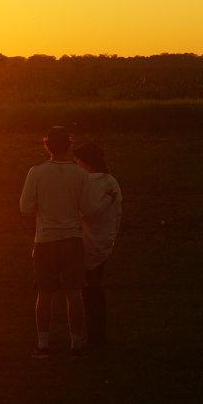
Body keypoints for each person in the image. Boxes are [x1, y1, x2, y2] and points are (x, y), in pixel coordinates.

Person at [19, 126, 94, 358]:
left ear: (47, 146)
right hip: (72, 239)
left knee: (44, 294)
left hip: (46, 240)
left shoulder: (36, 172)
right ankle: (76, 345)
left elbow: (25, 208)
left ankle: (43, 345)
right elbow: (88, 209)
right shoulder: (81, 175)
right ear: (69, 146)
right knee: (74, 295)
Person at [74, 142, 123, 349]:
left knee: (90, 289)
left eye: (78, 161)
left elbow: (87, 211)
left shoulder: (89, 183)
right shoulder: (110, 181)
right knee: (94, 288)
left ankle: (94, 337)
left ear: (86, 162)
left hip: (89, 242)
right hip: (104, 239)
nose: (76, 164)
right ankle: (97, 335)